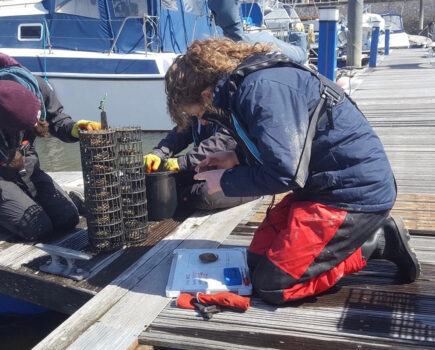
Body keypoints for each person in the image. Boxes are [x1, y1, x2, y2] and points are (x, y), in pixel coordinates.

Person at [163, 38, 421, 305]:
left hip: (352, 196)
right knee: (255, 260)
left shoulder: (261, 89)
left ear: (206, 94)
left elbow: (285, 174)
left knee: (273, 285)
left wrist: (225, 182)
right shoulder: (248, 84)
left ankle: (377, 241)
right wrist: (234, 158)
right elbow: (283, 148)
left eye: (200, 113)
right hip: (320, 186)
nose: (203, 121)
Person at [0, 53, 101, 241]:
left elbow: (57, 120)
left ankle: (25, 199)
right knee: (39, 228)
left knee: (67, 219)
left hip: (28, 168)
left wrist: (75, 129)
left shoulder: (36, 85)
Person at [143, 116, 258, 210]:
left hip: (243, 176)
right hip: (207, 168)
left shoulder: (228, 112)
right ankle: (177, 196)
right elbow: (179, 134)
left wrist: (180, 162)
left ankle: (179, 197)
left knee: (203, 195)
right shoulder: (194, 114)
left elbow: (221, 143)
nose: (201, 121)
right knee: (168, 176)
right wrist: (158, 154)